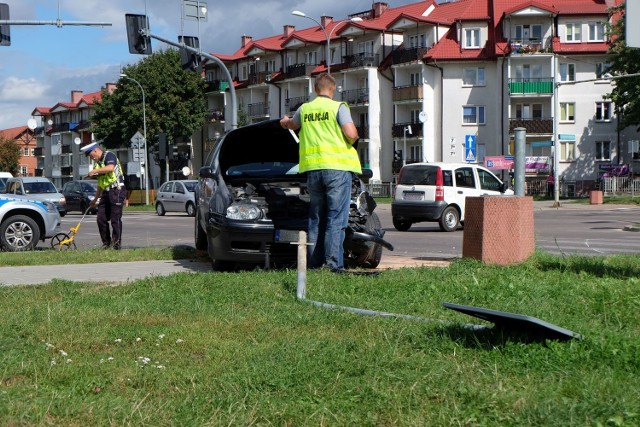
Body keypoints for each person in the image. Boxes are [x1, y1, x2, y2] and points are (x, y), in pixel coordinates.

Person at [280, 73, 361, 272]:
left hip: (313, 171)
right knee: (336, 219)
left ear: (315, 90)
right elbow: (351, 135)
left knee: (316, 219)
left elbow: (292, 125)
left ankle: (315, 265)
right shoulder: (338, 107)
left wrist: (285, 122)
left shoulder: (305, 109)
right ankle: (334, 266)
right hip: (337, 169)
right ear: (333, 90)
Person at [81, 142, 126, 249]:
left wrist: (95, 171)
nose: (92, 159)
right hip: (106, 192)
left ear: (95, 151)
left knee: (115, 219)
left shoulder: (109, 155)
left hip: (117, 190)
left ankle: (116, 245)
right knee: (101, 218)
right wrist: (95, 199)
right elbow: (100, 184)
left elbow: (110, 168)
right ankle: (106, 243)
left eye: (92, 156)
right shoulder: (99, 164)